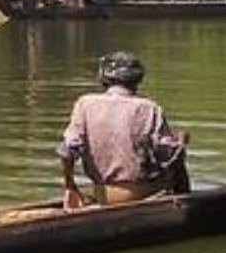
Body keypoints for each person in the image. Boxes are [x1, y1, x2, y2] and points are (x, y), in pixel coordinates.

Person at [57, 51, 191, 209]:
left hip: (102, 194)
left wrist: (70, 186)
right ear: (137, 79)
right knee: (177, 156)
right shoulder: (148, 108)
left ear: (104, 78)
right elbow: (168, 155)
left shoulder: (84, 104)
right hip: (142, 194)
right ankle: (186, 205)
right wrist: (181, 145)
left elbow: (67, 151)